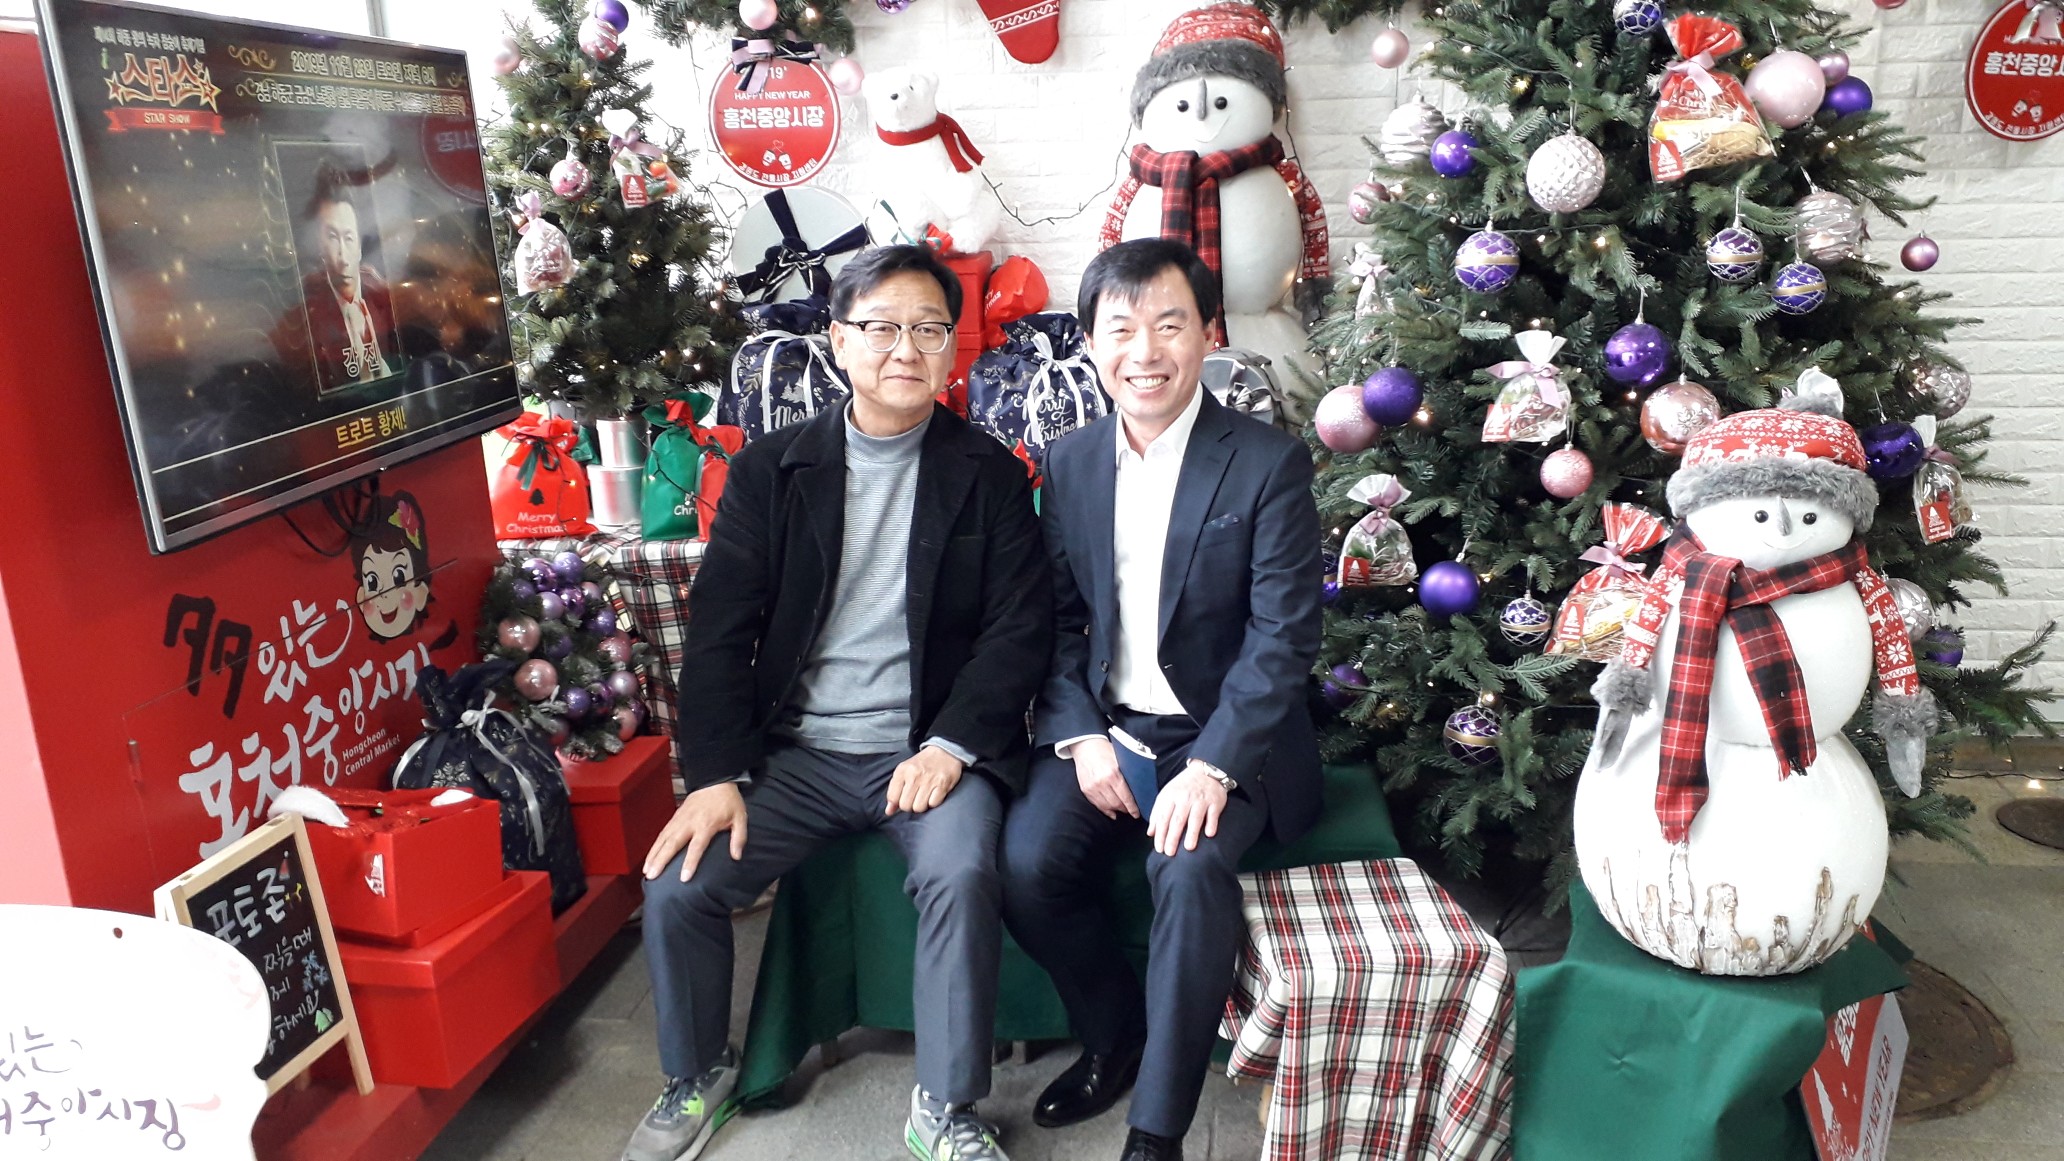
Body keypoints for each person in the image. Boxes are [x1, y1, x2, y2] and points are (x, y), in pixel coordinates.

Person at [624, 245, 1051, 1161]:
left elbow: (1018, 631)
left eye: (928, 329)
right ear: (839, 341)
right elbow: (720, 632)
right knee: (678, 885)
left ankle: (945, 1105)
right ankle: (697, 1071)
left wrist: (950, 746)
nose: (906, 349)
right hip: (797, 754)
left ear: (952, 347)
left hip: (925, 746)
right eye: (882, 327)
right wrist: (717, 773)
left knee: (960, 872)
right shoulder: (772, 471)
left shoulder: (990, 473)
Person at [1000, 238, 1323, 1161]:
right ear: (1090, 342)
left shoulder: (1266, 462)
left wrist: (1215, 764)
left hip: (1225, 734)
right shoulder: (1069, 461)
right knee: (1026, 864)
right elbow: (1060, 619)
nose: (1144, 351)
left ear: (1208, 332)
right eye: (1121, 328)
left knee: (1184, 868)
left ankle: (1158, 1127)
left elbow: (1282, 636)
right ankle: (1114, 1035)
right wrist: (1079, 736)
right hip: (1109, 728)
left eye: (1169, 324)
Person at [294, 159, 398, 391]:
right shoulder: (306, 313)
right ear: (319, 246)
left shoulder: (381, 294)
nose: (343, 256)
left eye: (349, 238)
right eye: (332, 238)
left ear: (359, 246)